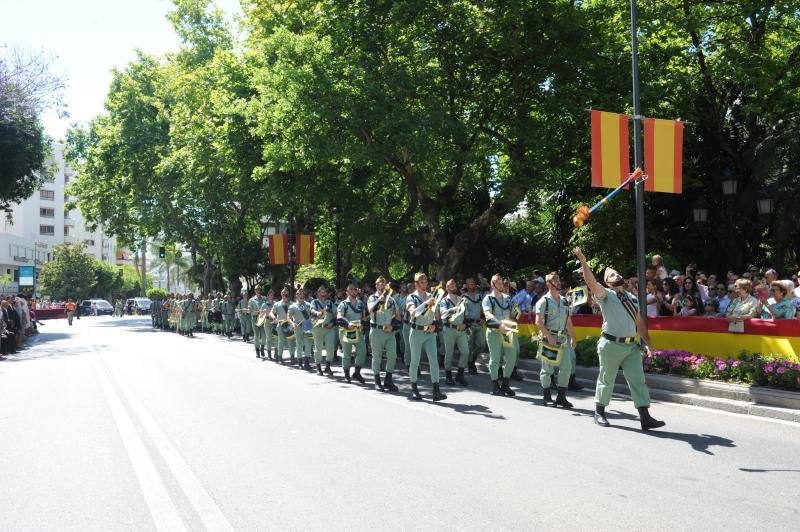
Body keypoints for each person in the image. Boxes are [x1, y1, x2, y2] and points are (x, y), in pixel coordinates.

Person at [573, 246, 665, 431]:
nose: (616, 275)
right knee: (606, 379)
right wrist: (583, 261)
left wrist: (649, 344)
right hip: (611, 344)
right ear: (607, 283)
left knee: (638, 380)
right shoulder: (606, 295)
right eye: (612, 275)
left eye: (617, 273)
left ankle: (645, 418)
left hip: (631, 347)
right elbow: (591, 283)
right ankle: (599, 412)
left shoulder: (632, 298)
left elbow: (640, 324)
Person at [535, 272, 575, 408]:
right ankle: (546, 396)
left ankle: (561, 396)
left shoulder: (564, 300)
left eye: (558, 280)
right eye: (554, 280)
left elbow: (568, 321)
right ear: (548, 284)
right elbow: (538, 322)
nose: (558, 282)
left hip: (563, 338)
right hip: (548, 338)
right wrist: (548, 336)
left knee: (567, 367)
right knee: (547, 368)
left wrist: (573, 338)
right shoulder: (543, 301)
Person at [406, 273, 446, 401]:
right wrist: (426, 304)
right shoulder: (411, 297)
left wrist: (435, 325)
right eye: (421, 282)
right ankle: (414, 389)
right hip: (417, 331)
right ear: (416, 284)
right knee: (415, 361)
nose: (425, 284)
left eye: (426, 281)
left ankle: (436, 390)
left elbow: (436, 314)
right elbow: (413, 313)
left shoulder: (431, 296)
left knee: (434, 360)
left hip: (429, 333)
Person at [482, 273, 518, 397]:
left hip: (508, 332)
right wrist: (499, 324)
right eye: (497, 282)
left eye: (501, 282)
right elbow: (487, 314)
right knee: (495, 359)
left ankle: (506, 384)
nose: (501, 284)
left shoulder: (507, 298)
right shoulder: (488, 299)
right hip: (495, 333)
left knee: (512, 357)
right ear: (492, 284)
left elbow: (513, 312)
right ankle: (495, 385)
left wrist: (517, 314)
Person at [367, 277, 401, 392]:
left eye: (384, 284)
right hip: (377, 331)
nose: (382, 286)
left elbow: (398, 316)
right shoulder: (372, 298)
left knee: (393, 355)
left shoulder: (391, 299)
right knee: (377, 357)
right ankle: (377, 381)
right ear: (376, 286)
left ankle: (388, 380)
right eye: (380, 284)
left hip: (389, 331)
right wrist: (379, 301)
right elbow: (370, 310)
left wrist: (392, 327)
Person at [438, 279, 470, 387]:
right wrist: (454, 309)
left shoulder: (462, 300)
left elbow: (467, 316)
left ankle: (460, 375)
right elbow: (443, 314)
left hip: (461, 330)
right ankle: (448, 376)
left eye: (454, 284)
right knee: (449, 354)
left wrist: (465, 325)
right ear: (446, 288)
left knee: (465, 352)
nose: (453, 286)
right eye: (450, 285)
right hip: (449, 329)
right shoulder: (444, 301)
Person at [337, 284, 367, 384]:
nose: (354, 291)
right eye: (352, 290)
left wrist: (363, 325)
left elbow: (363, 318)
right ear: (347, 292)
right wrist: (347, 323)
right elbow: (339, 317)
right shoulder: (343, 304)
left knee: (362, 351)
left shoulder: (360, 303)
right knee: (347, 353)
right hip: (346, 331)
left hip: (358, 331)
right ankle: (346, 375)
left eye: (355, 290)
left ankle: (357, 373)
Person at [310, 286, 337, 375]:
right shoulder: (314, 302)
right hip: (317, 328)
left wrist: (332, 323)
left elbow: (335, 314)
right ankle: (318, 367)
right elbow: (312, 310)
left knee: (330, 347)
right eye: (321, 292)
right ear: (318, 293)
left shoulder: (329, 302)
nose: (323, 293)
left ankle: (328, 367)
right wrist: (317, 313)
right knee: (318, 348)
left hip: (328, 328)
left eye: (324, 292)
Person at [463, 277, 485, 375]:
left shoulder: (479, 296)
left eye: (473, 284)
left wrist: (483, 318)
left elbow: (483, 309)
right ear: (467, 286)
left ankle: (472, 359)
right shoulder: (464, 297)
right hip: (469, 324)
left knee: (481, 345)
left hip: (478, 324)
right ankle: (471, 364)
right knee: (469, 346)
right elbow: (463, 313)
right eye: (470, 284)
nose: (473, 285)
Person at [289, 288, 314, 370]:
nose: (301, 295)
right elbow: (288, 317)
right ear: (296, 295)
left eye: (302, 294)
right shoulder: (292, 306)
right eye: (299, 294)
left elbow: (313, 314)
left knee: (308, 344)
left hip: (307, 327)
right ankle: (300, 363)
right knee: (299, 345)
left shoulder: (309, 305)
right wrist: (292, 323)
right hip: (298, 327)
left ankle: (307, 363)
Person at [269, 288, 295, 364]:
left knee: (291, 341)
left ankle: (292, 358)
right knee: (281, 341)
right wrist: (274, 318)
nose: (285, 294)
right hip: (280, 324)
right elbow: (271, 313)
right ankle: (280, 358)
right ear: (281, 294)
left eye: (286, 293)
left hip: (289, 325)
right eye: (283, 293)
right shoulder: (277, 304)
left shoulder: (292, 304)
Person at [250, 287, 268, 358]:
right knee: (256, 336)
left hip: (263, 318)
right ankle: (257, 351)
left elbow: (268, 305)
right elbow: (250, 309)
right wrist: (249, 310)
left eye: (259, 290)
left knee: (264, 335)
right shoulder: (251, 300)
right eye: (257, 290)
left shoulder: (264, 299)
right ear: (255, 291)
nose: (258, 291)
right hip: (255, 319)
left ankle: (262, 348)